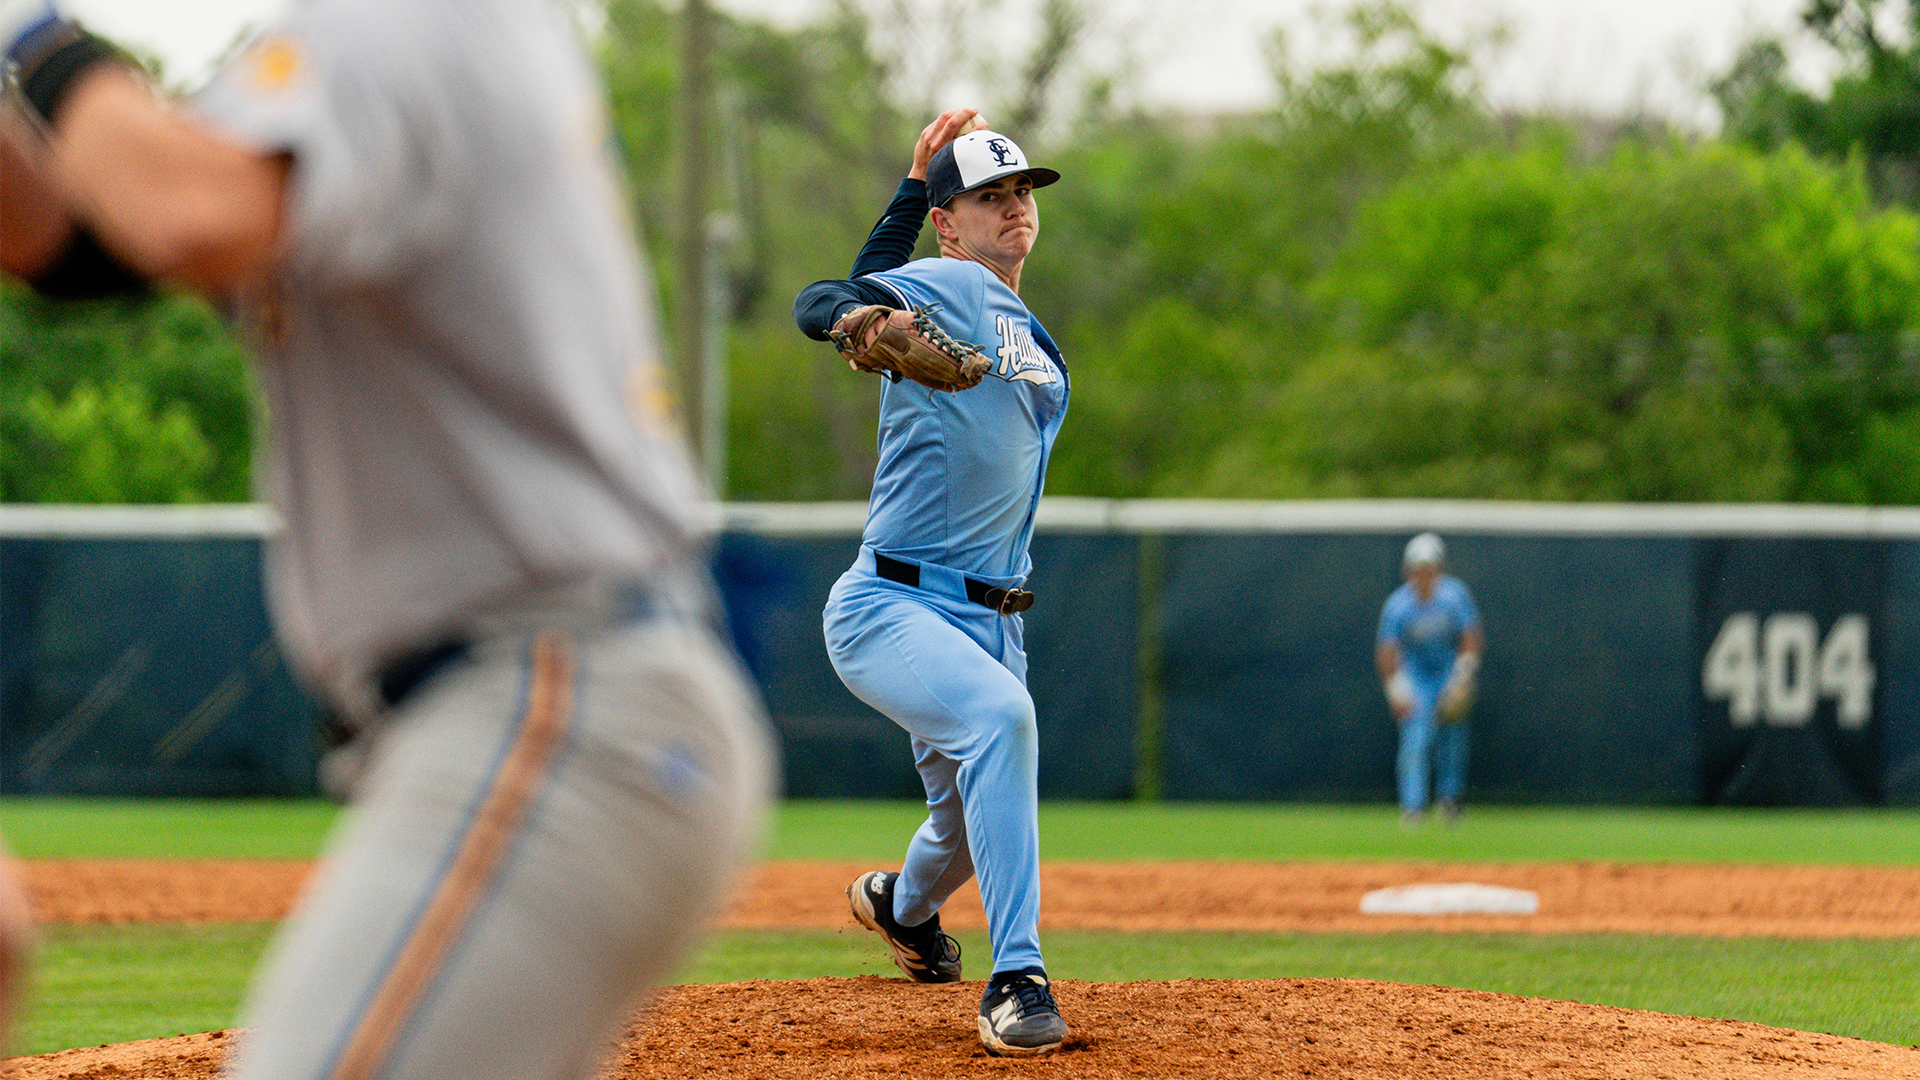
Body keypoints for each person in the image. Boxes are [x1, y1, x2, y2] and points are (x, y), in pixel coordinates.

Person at [0, 3, 775, 1078]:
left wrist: (33, 36)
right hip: (551, 702)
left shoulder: (404, 19)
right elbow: (80, 242)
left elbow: (184, 213)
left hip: (553, 698)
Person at [792, 109, 1071, 1057]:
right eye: (989, 197)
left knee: (956, 826)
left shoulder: (1031, 331)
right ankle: (1018, 978)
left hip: (993, 622)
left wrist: (922, 197)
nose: (1014, 208)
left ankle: (900, 910)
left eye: (1022, 191)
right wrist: (861, 316)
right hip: (893, 605)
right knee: (1002, 724)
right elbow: (822, 294)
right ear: (950, 225)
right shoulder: (946, 282)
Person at [1376, 532, 1484, 824]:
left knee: (1453, 740)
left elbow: (1470, 637)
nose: (1423, 574)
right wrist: (1396, 688)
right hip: (1416, 674)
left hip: (1448, 670)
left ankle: (1450, 801)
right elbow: (1387, 650)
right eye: (1418, 568)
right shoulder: (1398, 605)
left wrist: (1463, 675)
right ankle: (1413, 806)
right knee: (1416, 739)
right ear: (1407, 570)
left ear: (1438, 568)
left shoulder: (1453, 596)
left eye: (1429, 567)